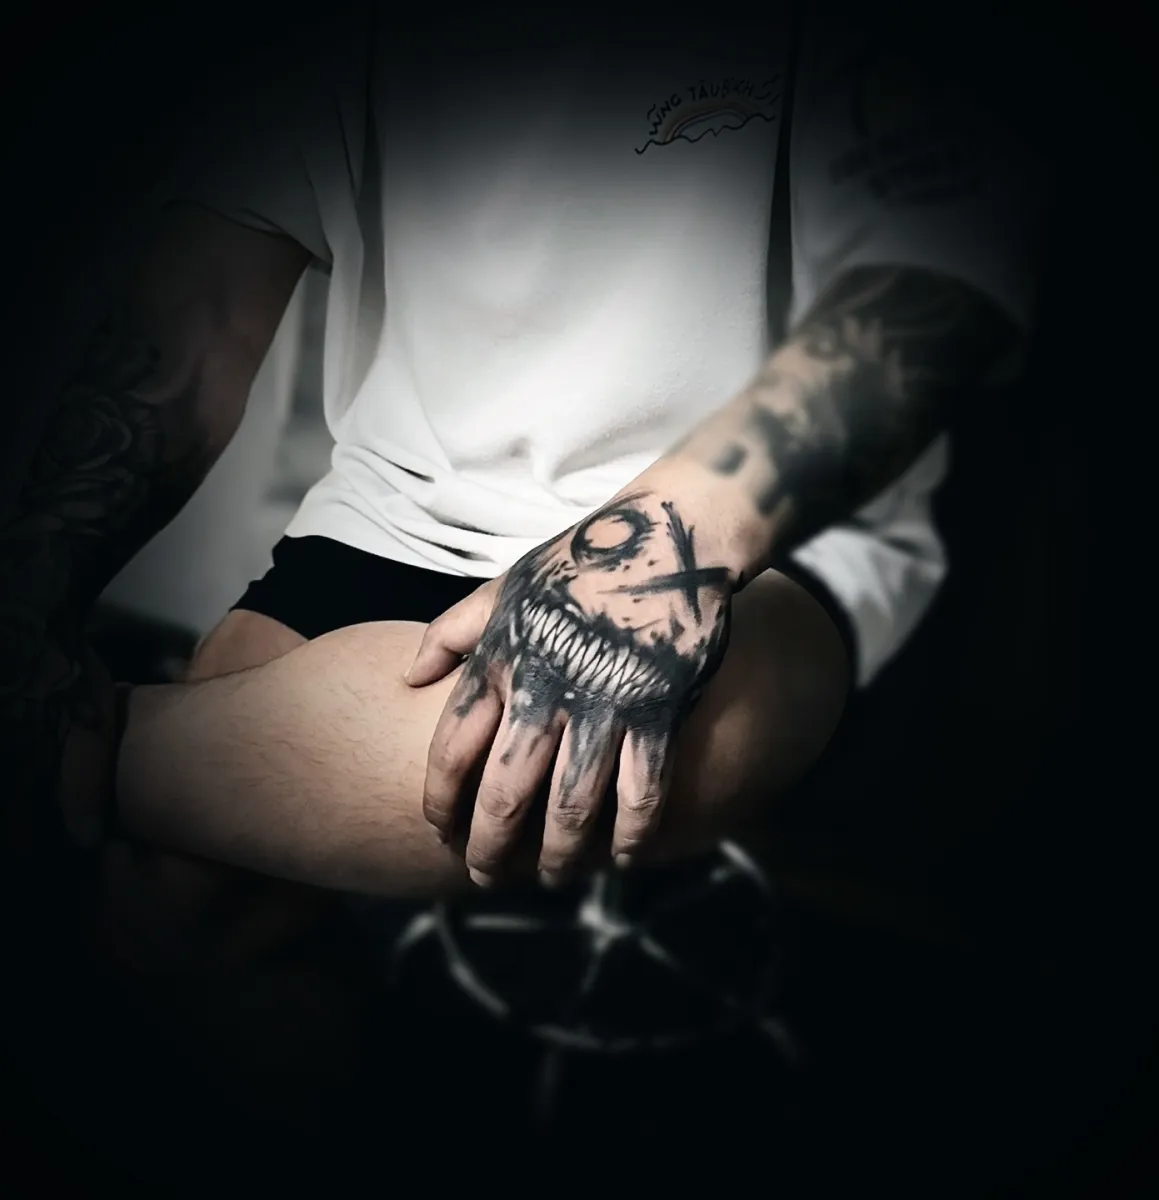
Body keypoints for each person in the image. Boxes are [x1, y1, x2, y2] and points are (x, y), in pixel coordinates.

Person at [1, 0, 1044, 1135]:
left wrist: (663, 545)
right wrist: (31, 594)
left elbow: (931, 287)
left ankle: (80, 757)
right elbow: (194, 316)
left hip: (759, 527)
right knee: (178, 917)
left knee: (521, 772)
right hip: (407, 500)